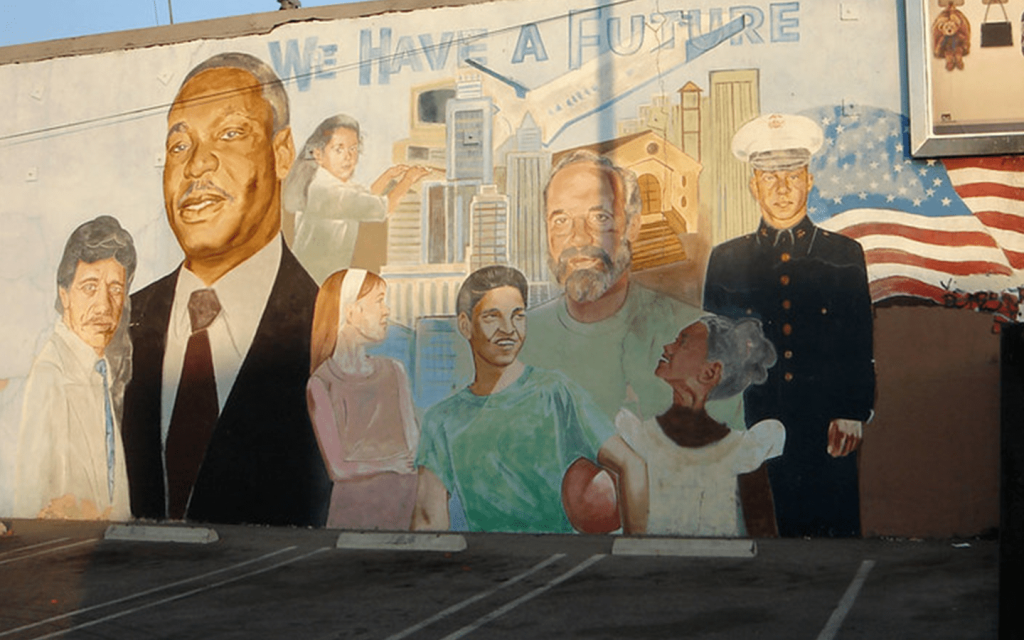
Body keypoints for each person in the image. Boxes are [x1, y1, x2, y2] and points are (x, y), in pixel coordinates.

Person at [121, 52, 331, 527]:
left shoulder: (331, 328)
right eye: (179, 146)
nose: (197, 166)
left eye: (230, 134)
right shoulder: (119, 323)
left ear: (282, 154)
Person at [703, 113, 876, 537]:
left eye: (792, 176)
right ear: (753, 184)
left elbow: (857, 339)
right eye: (768, 176)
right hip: (754, 418)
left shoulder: (843, 254)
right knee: (762, 536)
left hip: (826, 423)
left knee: (833, 538)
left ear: (809, 180)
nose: (781, 188)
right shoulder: (727, 259)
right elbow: (713, 346)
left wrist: (852, 411)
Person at [413, 265, 648, 534]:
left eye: (518, 316)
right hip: (487, 564)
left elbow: (632, 465)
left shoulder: (556, 392)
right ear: (466, 325)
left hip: (560, 560)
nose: (508, 329)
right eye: (492, 317)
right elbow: (428, 521)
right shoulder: (442, 419)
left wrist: (634, 553)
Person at [519, 151, 742, 430]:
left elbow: (726, 464)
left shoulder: (701, 339)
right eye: (561, 220)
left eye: (599, 218)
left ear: (633, 226)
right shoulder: (518, 341)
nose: (578, 238)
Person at [615, 316, 785, 537]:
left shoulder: (744, 451)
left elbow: (765, 538)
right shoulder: (637, 437)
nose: (667, 347)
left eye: (682, 342)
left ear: (709, 372)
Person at [15, 215, 136, 521]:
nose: (104, 306)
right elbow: (30, 503)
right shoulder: (51, 373)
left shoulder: (101, 369)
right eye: (89, 287)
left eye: (115, 289)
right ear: (64, 295)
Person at [306, 269, 419, 530]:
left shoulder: (395, 370)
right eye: (379, 300)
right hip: (354, 513)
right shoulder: (322, 383)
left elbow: (414, 443)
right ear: (351, 311)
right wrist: (390, 464)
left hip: (405, 504)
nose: (386, 310)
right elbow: (338, 468)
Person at [284, 114, 430, 282]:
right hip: (312, 280)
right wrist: (409, 179)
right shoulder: (326, 192)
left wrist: (388, 176)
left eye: (353, 149)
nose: (348, 157)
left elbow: (366, 196)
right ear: (318, 154)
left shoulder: (331, 182)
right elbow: (385, 207)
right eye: (339, 149)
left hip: (322, 277)